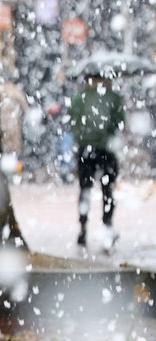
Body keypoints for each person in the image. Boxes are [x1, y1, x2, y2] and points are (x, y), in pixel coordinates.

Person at [68, 72, 124, 250]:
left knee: (85, 189)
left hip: (85, 150)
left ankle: (83, 228)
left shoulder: (79, 97)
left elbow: (74, 122)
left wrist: (83, 138)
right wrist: (106, 135)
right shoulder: (114, 98)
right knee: (108, 190)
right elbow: (120, 121)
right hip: (107, 150)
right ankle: (108, 225)